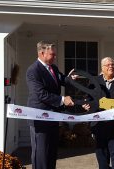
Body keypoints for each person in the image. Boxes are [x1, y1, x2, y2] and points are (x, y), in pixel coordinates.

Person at [26, 41, 77, 169]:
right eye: (52, 54)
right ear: (42, 53)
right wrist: (62, 99)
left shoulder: (53, 68)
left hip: (53, 117)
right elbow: (40, 94)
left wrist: (70, 79)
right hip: (40, 119)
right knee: (41, 155)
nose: (55, 57)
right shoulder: (33, 70)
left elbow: (61, 79)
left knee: (51, 153)